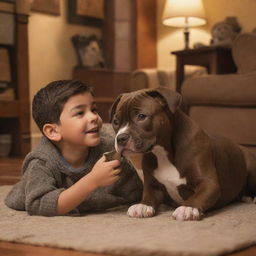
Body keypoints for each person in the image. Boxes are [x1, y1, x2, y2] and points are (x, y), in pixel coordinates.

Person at [5, 80, 142, 216]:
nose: (93, 117)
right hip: (44, 194)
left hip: (97, 200)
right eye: (80, 113)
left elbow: (136, 192)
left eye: (93, 109)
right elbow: (39, 204)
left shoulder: (110, 147)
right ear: (53, 131)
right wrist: (93, 180)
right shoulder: (41, 162)